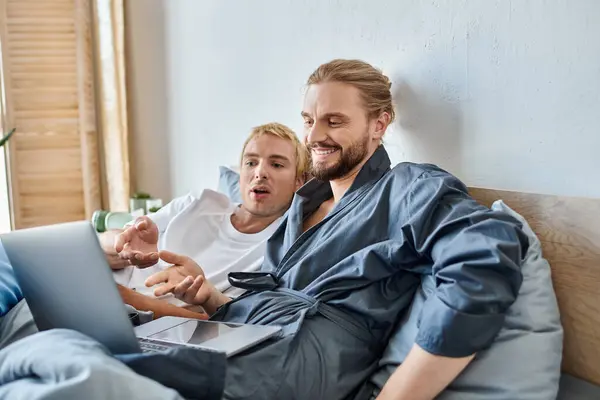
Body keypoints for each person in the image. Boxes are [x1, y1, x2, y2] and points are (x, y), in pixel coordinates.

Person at [0, 60, 528, 400]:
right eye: (309, 120)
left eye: (334, 122)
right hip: (239, 334)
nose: (315, 136)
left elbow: (485, 258)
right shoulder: (304, 207)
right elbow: (256, 298)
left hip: (299, 353)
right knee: (59, 339)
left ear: (380, 124)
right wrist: (208, 296)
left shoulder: (408, 187)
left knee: (63, 363)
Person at [100, 122, 308, 312]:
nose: (260, 173)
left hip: (132, 312)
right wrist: (124, 244)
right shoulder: (199, 201)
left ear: (298, 182)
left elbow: (216, 321)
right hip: (102, 284)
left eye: (277, 165)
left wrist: (128, 299)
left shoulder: (282, 247)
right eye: (251, 162)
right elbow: (102, 243)